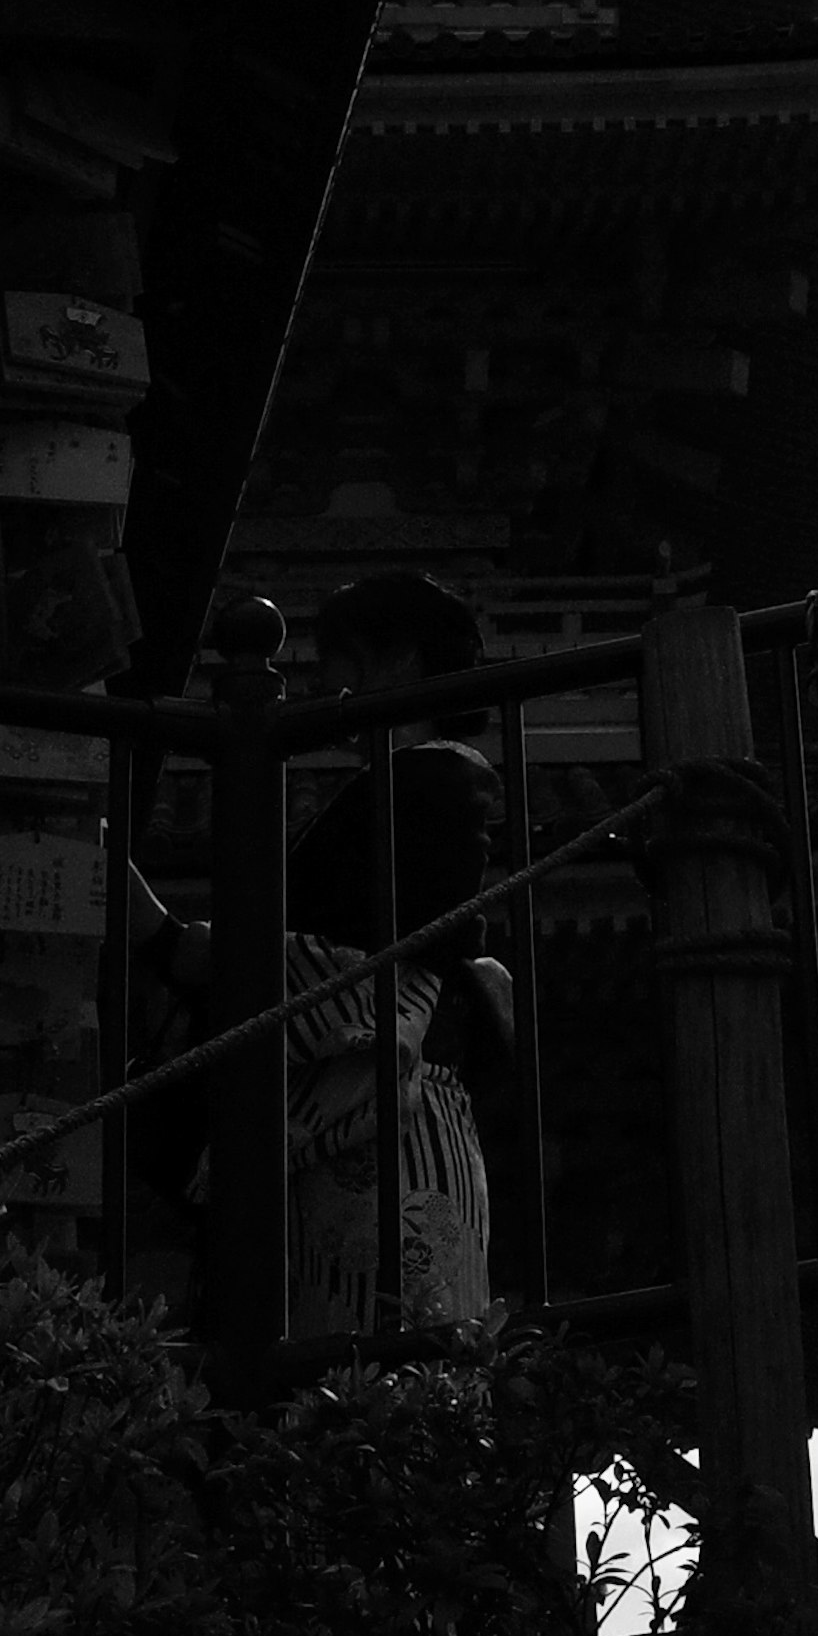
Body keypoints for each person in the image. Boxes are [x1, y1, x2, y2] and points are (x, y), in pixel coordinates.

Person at [269, 567, 512, 1343]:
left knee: (374, 1350)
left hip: (387, 1113)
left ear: (396, 661)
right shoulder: (421, 785)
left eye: (334, 658)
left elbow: (379, 943)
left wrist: (191, 948)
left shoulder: (430, 784)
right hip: (387, 1106)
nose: (323, 683)